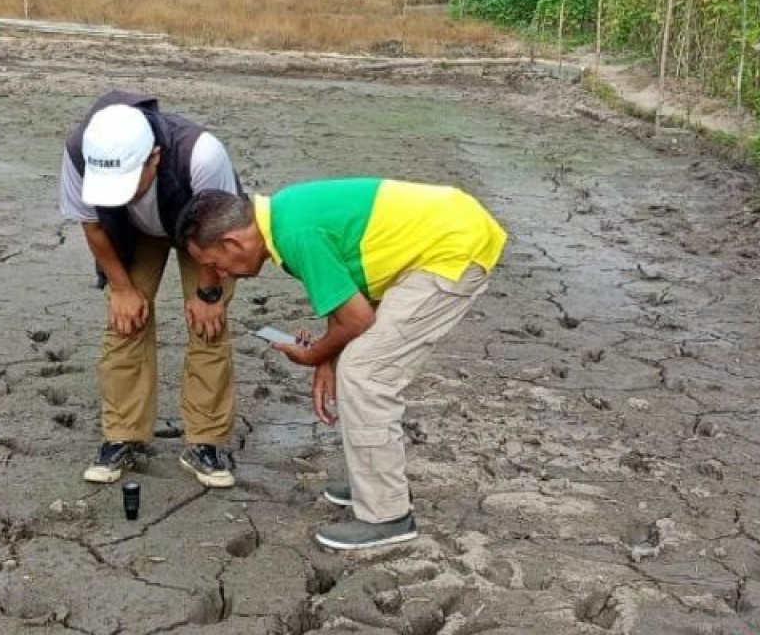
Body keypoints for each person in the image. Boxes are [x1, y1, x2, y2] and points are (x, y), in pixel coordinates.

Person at [176, 178, 507, 549]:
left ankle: (387, 516)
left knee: (367, 374)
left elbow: (358, 320)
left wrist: (314, 354)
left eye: (215, 264)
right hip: (445, 233)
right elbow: (351, 294)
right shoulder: (285, 213)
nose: (219, 274)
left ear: (233, 242)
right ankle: (374, 481)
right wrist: (327, 360)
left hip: (453, 249)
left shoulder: (296, 235)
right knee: (355, 363)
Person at [60, 90, 242, 488]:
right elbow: (92, 225)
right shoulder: (79, 150)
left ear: (154, 158)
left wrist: (208, 294)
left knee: (207, 325)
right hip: (131, 233)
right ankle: (123, 434)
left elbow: (221, 230)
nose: (120, 193)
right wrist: (122, 288)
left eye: (127, 183)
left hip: (204, 229)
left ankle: (206, 442)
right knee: (124, 322)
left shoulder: (201, 156)